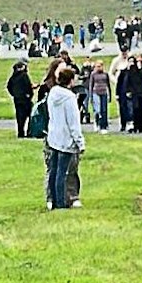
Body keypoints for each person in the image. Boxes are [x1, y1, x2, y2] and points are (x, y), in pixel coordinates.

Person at [45, 65, 85, 211]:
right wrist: (80, 142)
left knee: (53, 170)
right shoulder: (69, 98)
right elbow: (73, 123)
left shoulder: (52, 93)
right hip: (66, 139)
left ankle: (52, 199)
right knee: (63, 172)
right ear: (70, 81)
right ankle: (61, 202)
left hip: (54, 136)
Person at [7, 61, 34, 137]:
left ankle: (20, 132)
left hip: (17, 99)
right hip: (25, 99)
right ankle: (29, 132)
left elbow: (9, 87)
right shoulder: (24, 75)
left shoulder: (13, 77)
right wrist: (29, 94)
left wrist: (14, 94)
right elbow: (28, 86)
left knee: (20, 117)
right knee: (30, 115)